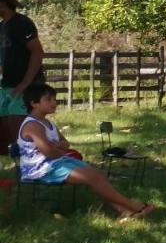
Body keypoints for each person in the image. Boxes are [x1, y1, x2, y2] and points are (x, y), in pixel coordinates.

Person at [17, 84, 155, 218]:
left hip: (57, 162)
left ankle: (125, 211)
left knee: (98, 175)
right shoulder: (33, 125)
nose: (54, 102)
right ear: (34, 103)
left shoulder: (48, 123)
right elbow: (49, 152)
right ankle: (133, 205)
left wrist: (58, 147)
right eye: (48, 99)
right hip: (40, 169)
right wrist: (59, 149)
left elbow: (65, 144)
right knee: (91, 177)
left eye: (54, 99)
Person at [0, 0, 45, 149]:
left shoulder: (22, 23)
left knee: (19, 128)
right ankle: (16, 162)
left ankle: (31, 164)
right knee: (4, 132)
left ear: (3, 3)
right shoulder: (2, 26)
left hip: (26, 85)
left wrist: (25, 84)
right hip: (7, 85)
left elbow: (37, 52)